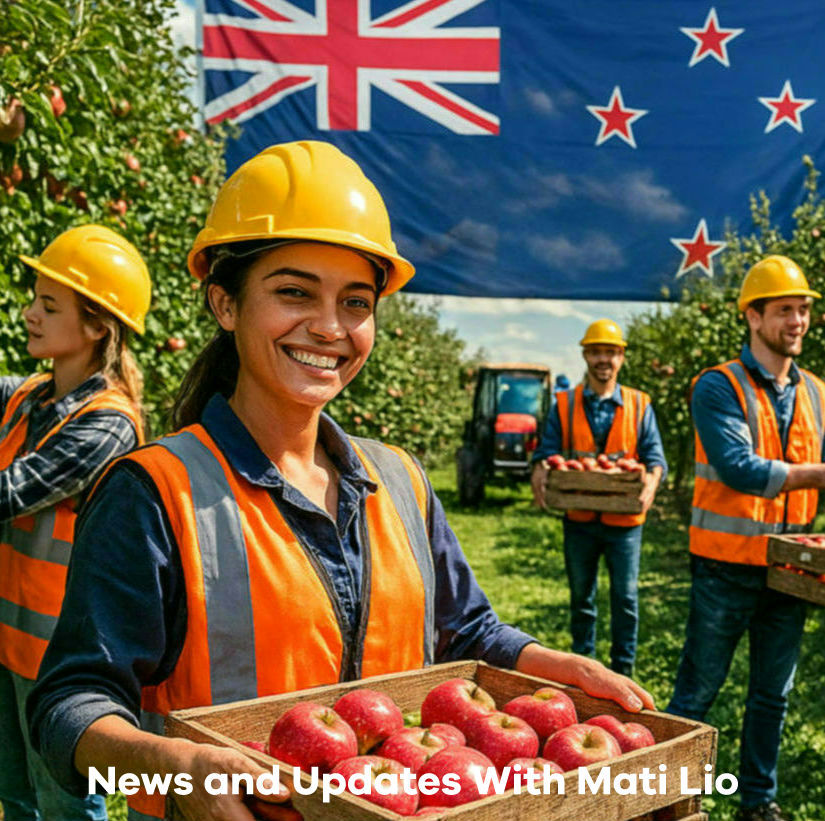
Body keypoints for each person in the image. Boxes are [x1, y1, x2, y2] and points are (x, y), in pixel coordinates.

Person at [27, 141, 653, 821]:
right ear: (224, 303)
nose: (329, 327)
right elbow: (70, 702)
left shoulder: (401, 479)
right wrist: (176, 765)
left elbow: (466, 632)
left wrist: (552, 662)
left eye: (355, 302)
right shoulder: (155, 491)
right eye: (294, 291)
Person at [667, 255, 825, 821]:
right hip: (725, 567)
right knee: (696, 697)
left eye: (804, 309)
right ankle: (669, 799)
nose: (799, 320)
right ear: (753, 317)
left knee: (772, 696)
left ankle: (758, 801)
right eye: (785, 309)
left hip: (790, 570)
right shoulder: (718, 386)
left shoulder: (817, 392)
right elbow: (738, 468)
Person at [0, 225, 150, 821]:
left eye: (48, 304)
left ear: (96, 327)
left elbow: (11, 493)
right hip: (11, 640)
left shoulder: (106, 424)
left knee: (63, 807)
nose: (29, 313)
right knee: (16, 798)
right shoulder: (29, 396)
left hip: (60, 658)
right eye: (35, 298)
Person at [530, 319, 666, 676]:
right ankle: (585, 671)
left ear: (621, 357)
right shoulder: (564, 403)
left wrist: (649, 484)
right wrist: (541, 468)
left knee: (625, 600)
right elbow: (546, 450)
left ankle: (624, 672)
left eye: (610, 351)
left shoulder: (640, 404)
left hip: (625, 523)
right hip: (579, 520)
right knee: (582, 600)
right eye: (596, 351)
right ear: (585, 355)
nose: (603, 359)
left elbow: (655, 459)